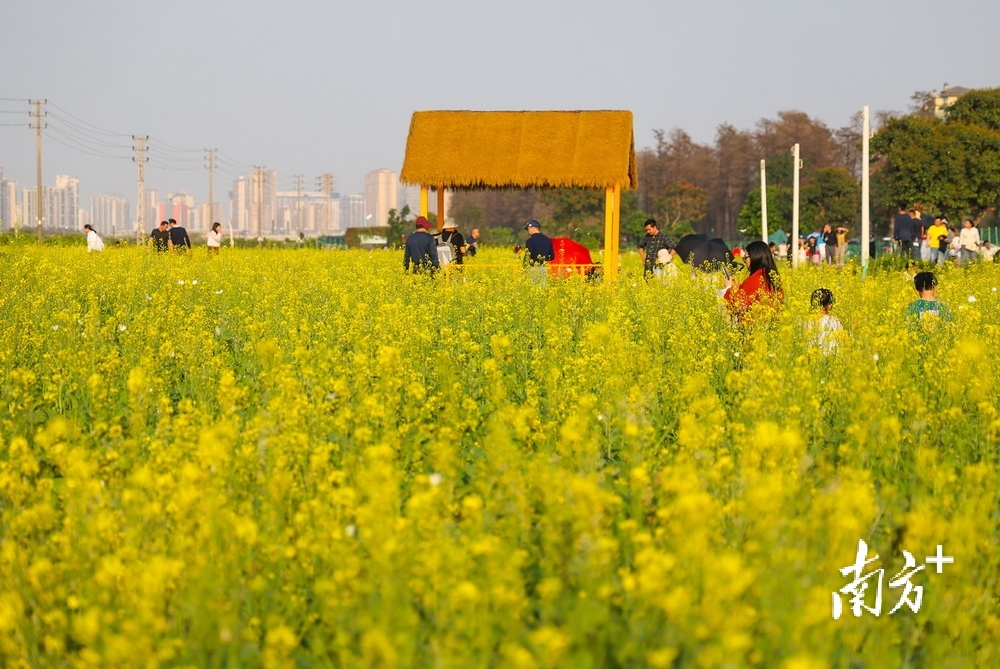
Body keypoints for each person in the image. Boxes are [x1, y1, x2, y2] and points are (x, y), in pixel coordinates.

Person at [723, 240, 784, 325]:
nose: (745, 261)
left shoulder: (756, 279)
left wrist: (728, 288)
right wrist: (738, 287)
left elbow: (738, 306)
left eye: (745, 258)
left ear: (755, 257)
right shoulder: (772, 277)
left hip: (754, 330)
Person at [809, 288, 844, 354]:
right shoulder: (835, 321)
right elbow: (843, 342)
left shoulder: (808, 322)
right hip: (833, 358)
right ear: (829, 306)